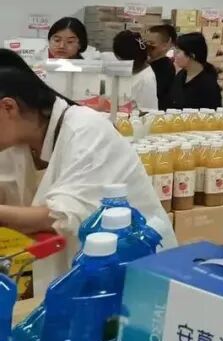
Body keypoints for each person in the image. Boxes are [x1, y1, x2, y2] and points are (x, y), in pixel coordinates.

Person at [0, 49, 177, 291]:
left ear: (8, 108)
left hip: (130, 274)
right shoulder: (15, 141)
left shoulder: (86, 131)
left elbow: (59, 218)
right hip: (72, 278)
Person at [169, 33, 222, 110]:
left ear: (192, 56)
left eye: (178, 52)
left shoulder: (208, 84)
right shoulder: (180, 75)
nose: (174, 55)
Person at [112, 30, 158, 112]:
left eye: (120, 58)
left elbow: (148, 112)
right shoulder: (130, 69)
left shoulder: (146, 79)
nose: (118, 60)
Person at [146, 24, 177, 110]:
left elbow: (153, 92)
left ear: (165, 45)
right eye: (146, 42)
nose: (147, 46)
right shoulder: (149, 64)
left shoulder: (165, 67)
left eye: (152, 43)